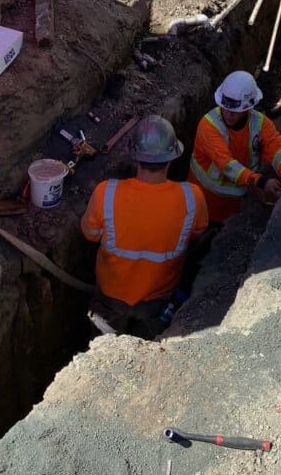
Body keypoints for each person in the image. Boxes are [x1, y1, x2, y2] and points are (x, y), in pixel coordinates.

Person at [81, 115, 208, 338]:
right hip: (157, 301)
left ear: (135, 157)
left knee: (104, 354)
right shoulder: (192, 197)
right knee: (142, 353)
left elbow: (89, 234)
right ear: (172, 158)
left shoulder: (106, 193)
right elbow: (197, 234)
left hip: (111, 298)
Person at [189, 70, 281, 225]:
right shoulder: (208, 126)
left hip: (237, 205)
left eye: (235, 111)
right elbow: (227, 165)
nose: (229, 114)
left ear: (248, 108)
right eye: (226, 108)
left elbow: (278, 147)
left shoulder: (259, 123)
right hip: (204, 204)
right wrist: (262, 182)